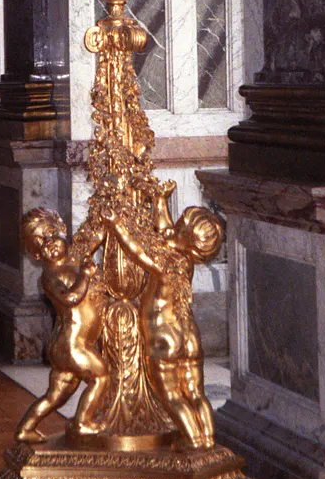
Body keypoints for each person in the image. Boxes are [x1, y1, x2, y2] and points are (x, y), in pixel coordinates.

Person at [99, 193, 222, 450]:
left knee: (172, 395)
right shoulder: (186, 261)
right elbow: (165, 232)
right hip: (189, 335)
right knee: (196, 394)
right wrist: (159, 202)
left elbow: (138, 251)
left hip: (165, 336)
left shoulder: (165, 262)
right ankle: (208, 440)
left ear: (185, 237)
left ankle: (193, 441)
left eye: (180, 225)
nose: (172, 226)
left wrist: (117, 225)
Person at [15, 208, 109, 442]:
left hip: (64, 346)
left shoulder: (75, 258)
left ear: (63, 231)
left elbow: (95, 238)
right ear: (36, 255)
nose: (49, 244)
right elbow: (69, 298)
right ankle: (82, 423)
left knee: (56, 396)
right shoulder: (50, 275)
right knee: (101, 378)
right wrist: (85, 276)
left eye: (51, 235)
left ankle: (25, 428)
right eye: (41, 244)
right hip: (73, 345)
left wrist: (107, 222)